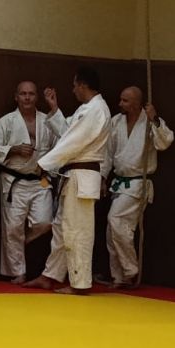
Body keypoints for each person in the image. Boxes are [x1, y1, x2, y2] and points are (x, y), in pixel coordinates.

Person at [28, 67, 111, 295]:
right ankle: (50, 275)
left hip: (82, 176)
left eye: (75, 86)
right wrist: (54, 109)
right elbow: (68, 134)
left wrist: (45, 163)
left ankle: (80, 283)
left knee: (78, 231)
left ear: (83, 85)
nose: (73, 90)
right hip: (73, 176)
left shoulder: (96, 110)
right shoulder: (87, 109)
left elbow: (73, 142)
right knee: (61, 228)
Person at [0, 82, 67, 284]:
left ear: (36, 97)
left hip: (40, 180)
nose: (27, 97)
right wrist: (13, 149)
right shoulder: (6, 122)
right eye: (23, 94)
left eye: (31, 94)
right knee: (12, 228)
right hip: (14, 181)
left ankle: (22, 242)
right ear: (16, 97)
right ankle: (17, 272)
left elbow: (62, 144)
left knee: (45, 222)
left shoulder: (47, 121)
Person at [105, 86, 174, 288]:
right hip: (119, 183)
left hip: (137, 184)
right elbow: (107, 153)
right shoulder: (116, 121)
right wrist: (102, 177)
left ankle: (130, 269)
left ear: (137, 104)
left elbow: (164, 143)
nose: (120, 103)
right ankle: (119, 277)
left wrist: (155, 119)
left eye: (125, 101)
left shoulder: (149, 121)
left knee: (116, 220)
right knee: (113, 230)